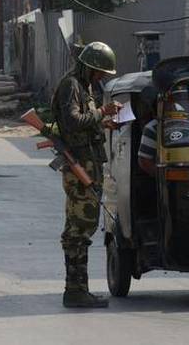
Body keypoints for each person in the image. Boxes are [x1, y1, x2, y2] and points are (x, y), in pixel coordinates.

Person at [51, 41, 122, 308]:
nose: (102, 78)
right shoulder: (71, 85)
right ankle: (75, 289)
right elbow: (71, 121)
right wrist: (102, 112)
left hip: (88, 162)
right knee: (79, 228)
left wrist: (102, 121)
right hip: (79, 165)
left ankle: (79, 288)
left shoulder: (83, 86)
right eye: (100, 73)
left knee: (84, 225)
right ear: (90, 68)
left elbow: (82, 122)